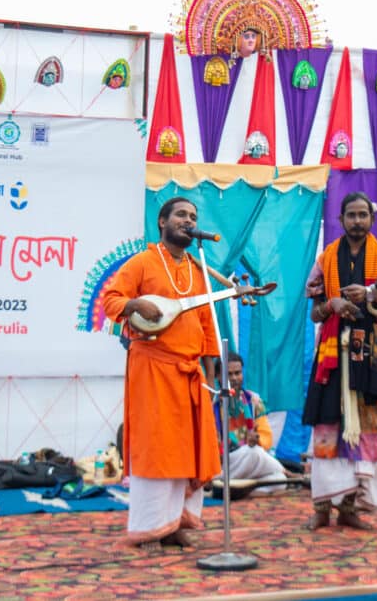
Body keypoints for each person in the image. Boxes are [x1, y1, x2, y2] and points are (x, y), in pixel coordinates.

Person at [101, 197, 221, 552]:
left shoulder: (198, 272)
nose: (188, 220)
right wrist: (135, 304)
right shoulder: (142, 262)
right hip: (151, 368)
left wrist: (210, 375)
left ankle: (174, 525)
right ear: (162, 221)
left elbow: (206, 326)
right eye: (181, 215)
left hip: (189, 374)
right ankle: (148, 529)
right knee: (156, 450)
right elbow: (111, 301)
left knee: (186, 451)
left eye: (194, 217)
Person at [302, 192, 377, 530]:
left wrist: (370, 294)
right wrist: (333, 305)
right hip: (333, 354)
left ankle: (350, 508)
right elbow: (314, 311)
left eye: (363, 215)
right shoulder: (327, 258)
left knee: (369, 428)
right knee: (328, 426)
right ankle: (322, 507)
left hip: (375, 353)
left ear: (372, 219)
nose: (357, 221)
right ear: (341, 218)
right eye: (351, 215)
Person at [213, 352, 293, 495]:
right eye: (228, 374)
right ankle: (287, 473)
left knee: (278, 481)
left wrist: (257, 439)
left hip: (252, 462)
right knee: (252, 453)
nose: (234, 378)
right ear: (218, 377)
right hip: (226, 465)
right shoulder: (211, 405)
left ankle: (240, 490)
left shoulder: (253, 400)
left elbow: (266, 438)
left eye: (237, 373)